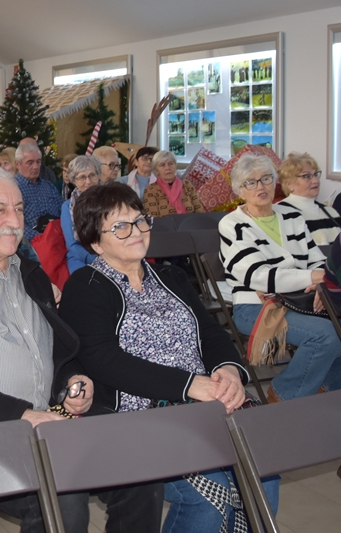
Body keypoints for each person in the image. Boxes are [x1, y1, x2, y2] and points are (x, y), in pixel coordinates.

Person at [0, 168, 162, 533]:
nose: (15, 220)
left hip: (48, 419)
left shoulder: (31, 274)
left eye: (19, 209)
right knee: (61, 499)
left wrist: (71, 380)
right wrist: (22, 414)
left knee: (139, 465)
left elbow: (55, 352)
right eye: (0, 210)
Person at [61, 181, 278, 533]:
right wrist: (189, 385)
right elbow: (103, 360)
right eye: (120, 226)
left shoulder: (171, 276)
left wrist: (229, 371)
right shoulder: (85, 286)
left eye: (139, 220)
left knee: (264, 475)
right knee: (211, 496)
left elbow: (211, 334)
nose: (136, 231)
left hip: (205, 401)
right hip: (141, 415)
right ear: (96, 242)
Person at [219, 154, 341, 402]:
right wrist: (314, 276)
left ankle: (326, 389)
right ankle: (283, 395)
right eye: (251, 182)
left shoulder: (291, 216)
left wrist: (321, 286)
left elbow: (316, 259)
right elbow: (259, 276)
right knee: (325, 335)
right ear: (240, 190)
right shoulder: (233, 224)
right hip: (257, 307)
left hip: (302, 299)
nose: (260, 186)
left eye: (266, 178)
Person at [276, 152, 341, 245]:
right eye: (307, 176)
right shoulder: (280, 212)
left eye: (315, 174)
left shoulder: (330, 212)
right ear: (289, 184)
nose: (315, 181)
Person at [13, 142, 63, 242]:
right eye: (30, 162)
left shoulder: (49, 187)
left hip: (58, 239)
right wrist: (41, 239)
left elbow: (63, 213)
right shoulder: (13, 189)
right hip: (30, 243)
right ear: (18, 164)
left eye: (38, 162)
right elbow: (15, 222)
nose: (36, 167)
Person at [61, 155, 99, 273]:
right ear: (74, 181)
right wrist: (97, 261)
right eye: (82, 177)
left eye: (92, 175)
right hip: (80, 257)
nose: (88, 181)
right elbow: (72, 245)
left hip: (110, 253)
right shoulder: (67, 207)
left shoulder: (109, 200)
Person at [143, 150, 204, 216]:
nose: (167, 168)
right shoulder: (151, 190)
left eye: (171, 164)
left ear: (176, 166)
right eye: (162, 165)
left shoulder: (187, 184)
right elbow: (153, 218)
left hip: (190, 222)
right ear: (156, 171)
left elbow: (200, 212)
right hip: (165, 223)